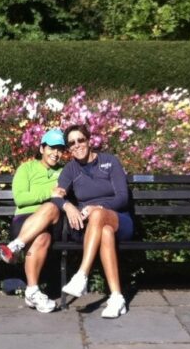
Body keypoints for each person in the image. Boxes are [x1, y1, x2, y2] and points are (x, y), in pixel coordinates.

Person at [55, 124, 133, 319]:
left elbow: (123, 197)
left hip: (119, 219)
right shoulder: (70, 169)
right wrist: (68, 206)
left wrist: (97, 207)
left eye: (80, 140)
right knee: (104, 231)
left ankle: (82, 274)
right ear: (68, 148)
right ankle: (116, 297)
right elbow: (56, 196)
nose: (77, 145)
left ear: (89, 140)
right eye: (71, 143)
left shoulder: (109, 161)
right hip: (94, 227)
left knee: (99, 216)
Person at [0, 128, 66, 313]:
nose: (56, 153)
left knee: (51, 207)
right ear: (42, 148)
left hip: (54, 220)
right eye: (52, 148)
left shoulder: (64, 172)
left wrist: (53, 198)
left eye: (60, 149)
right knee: (42, 238)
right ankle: (33, 291)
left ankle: (15, 247)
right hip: (25, 221)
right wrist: (49, 193)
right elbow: (21, 199)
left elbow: (66, 196)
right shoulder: (26, 168)